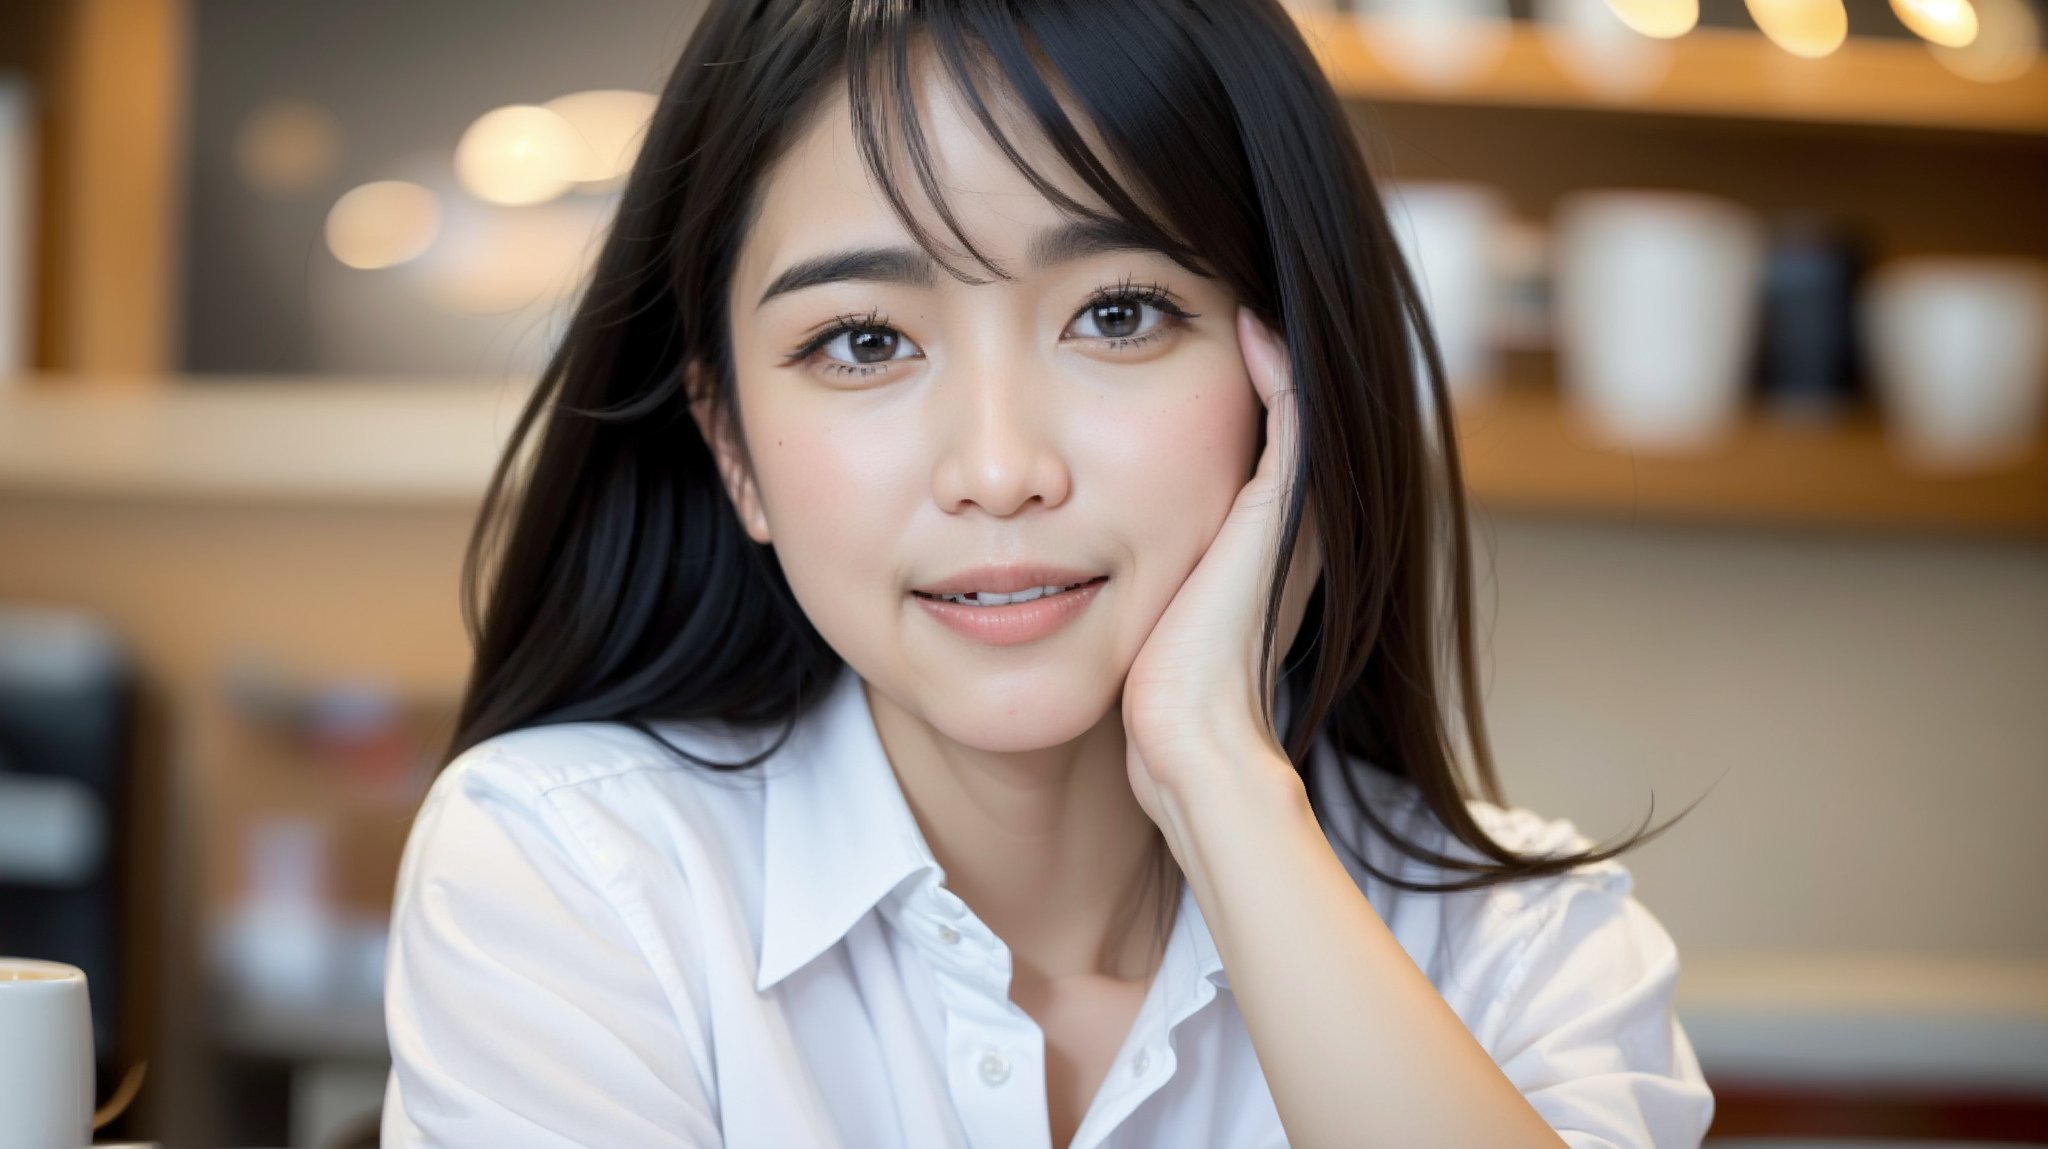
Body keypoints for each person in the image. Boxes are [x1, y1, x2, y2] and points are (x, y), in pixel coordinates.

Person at [380, 2, 1715, 1146]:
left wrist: (1221, 778)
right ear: (730, 444)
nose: (1001, 465)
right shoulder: (578, 875)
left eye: (1117, 314)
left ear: (1290, 380)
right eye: (860, 340)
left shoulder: (1524, 951)